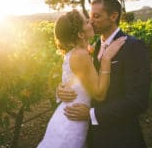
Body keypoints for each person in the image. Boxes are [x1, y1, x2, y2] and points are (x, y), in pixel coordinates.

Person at [57, 0, 151, 148]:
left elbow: (138, 101)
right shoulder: (91, 47)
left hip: (120, 137)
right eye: (90, 16)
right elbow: (84, 79)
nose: (91, 21)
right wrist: (63, 88)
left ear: (113, 16)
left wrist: (91, 114)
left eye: (97, 16)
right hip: (91, 136)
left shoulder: (133, 46)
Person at [37, 9, 127, 148]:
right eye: (86, 21)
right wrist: (106, 59)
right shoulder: (80, 55)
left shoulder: (82, 51)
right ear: (80, 34)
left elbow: (72, 80)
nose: (90, 21)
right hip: (70, 124)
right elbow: (99, 94)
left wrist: (60, 88)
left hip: (71, 118)